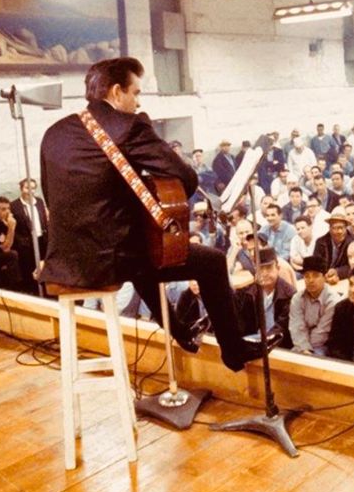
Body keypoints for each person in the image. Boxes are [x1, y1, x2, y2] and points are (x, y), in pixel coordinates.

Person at [38, 57, 254, 372]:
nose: (138, 101)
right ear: (115, 92)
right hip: (109, 262)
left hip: (64, 260)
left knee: (143, 248)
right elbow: (186, 178)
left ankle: (178, 329)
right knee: (210, 261)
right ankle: (233, 350)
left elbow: (50, 194)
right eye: (135, 93)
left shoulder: (55, 132)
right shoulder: (130, 125)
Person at [235, 247, 295, 349]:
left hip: (278, 345)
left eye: (269, 268)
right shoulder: (248, 292)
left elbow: (281, 329)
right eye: (260, 268)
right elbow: (241, 321)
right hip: (251, 341)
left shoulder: (290, 294)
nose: (265, 273)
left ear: (277, 267)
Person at [288, 255, 339, 355]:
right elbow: (296, 326)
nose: (310, 280)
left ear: (324, 277)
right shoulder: (297, 298)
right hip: (301, 344)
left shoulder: (333, 300)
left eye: (315, 275)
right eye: (307, 276)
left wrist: (306, 349)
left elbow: (322, 332)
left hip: (323, 345)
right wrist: (303, 348)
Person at [10, 178, 49, 293]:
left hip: (42, 239)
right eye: (27, 188)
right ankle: (33, 291)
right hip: (26, 244)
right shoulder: (14, 206)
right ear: (21, 188)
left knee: (43, 265)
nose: (30, 191)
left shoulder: (39, 202)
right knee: (29, 268)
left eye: (33, 188)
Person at [314, 206, 354, 285]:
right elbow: (316, 265)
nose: (339, 231)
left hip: (346, 280)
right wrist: (326, 275)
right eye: (335, 228)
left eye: (342, 227)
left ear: (346, 227)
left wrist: (337, 272)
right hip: (324, 280)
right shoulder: (320, 242)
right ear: (329, 228)